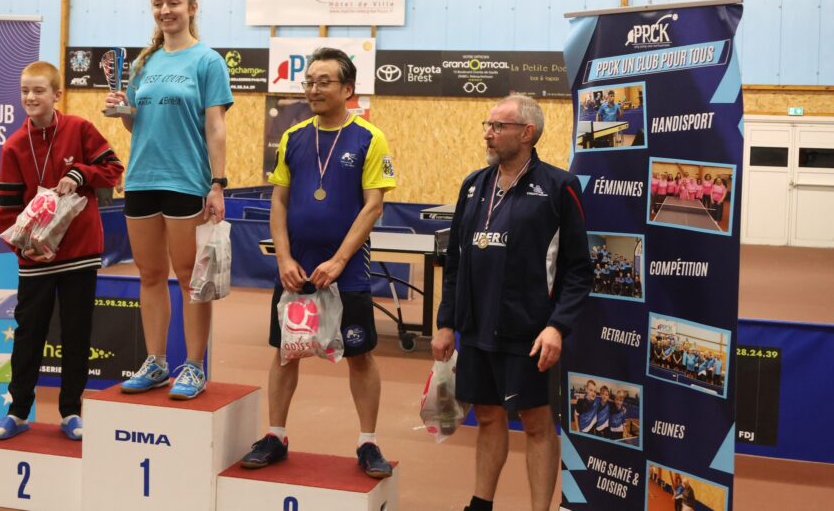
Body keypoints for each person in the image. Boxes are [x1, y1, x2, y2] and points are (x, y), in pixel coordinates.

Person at [240, 47, 397, 478]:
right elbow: (279, 202)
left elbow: (373, 206)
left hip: (348, 271)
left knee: (359, 354)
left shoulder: (370, 138)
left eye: (323, 82)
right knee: (285, 352)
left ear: (347, 89)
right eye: (309, 81)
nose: (313, 89)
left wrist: (340, 260)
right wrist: (284, 259)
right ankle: (275, 435)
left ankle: (368, 442)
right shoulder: (292, 137)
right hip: (296, 268)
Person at [431, 94, 593, 511]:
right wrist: (446, 322)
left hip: (529, 330)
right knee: (487, 416)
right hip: (477, 327)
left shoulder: (559, 187)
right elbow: (455, 261)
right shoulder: (473, 185)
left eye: (497, 126)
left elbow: (578, 270)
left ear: (526, 133)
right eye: (487, 125)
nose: (488, 133)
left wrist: (557, 326)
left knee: (536, 423)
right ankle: (480, 503)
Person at [106, 0, 233, 400]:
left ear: (191, 7)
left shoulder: (208, 62)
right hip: (142, 179)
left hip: (186, 180)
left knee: (190, 278)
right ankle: (156, 362)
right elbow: (136, 124)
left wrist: (217, 183)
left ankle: (193, 366)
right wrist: (122, 111)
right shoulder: (144, 63)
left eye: (174, 2)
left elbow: (215, 126)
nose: (165, 10)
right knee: (150, 275)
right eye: (158, 3)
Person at [0, 61, 124, 440]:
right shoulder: (13, 146)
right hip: (35, 259)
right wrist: (23, 245)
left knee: (76, 334)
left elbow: (114, 169)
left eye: (38, 91)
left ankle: (70, 412)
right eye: (25, 91)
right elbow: (7, 211)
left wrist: (80, 173)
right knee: (28, 333)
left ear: (56, 95)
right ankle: (17, 411)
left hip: (80, 253)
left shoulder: (79, 129)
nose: (30, 97)